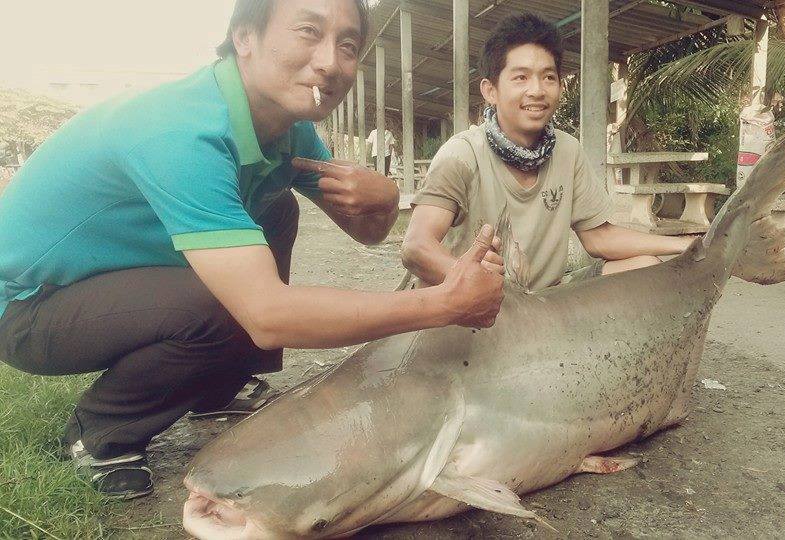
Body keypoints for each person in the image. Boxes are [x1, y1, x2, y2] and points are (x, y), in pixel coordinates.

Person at [0, 0, 503, 500]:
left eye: (348, 45)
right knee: (223, 305)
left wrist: (387, 197)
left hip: (110, 280)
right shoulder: (182, 132)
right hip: (27, 306)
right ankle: (100, 431)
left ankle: (219, 385)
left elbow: (365, 234)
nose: (330, 62)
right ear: (243, 37)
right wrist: (442, 305)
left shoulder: (288, 125)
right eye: (309, 31)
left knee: (276, 208)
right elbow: (267, 315)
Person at [402, 14, 697, 291]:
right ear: (490, 90)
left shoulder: (568, 151)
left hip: (544, 305)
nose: (537, 90)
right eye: (521, 78)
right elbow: (416, 247)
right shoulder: (462, 154)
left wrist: (686, 245)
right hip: (471, 300)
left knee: (645, 267)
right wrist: (469, 276)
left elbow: (599, 237)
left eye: (548, 77)